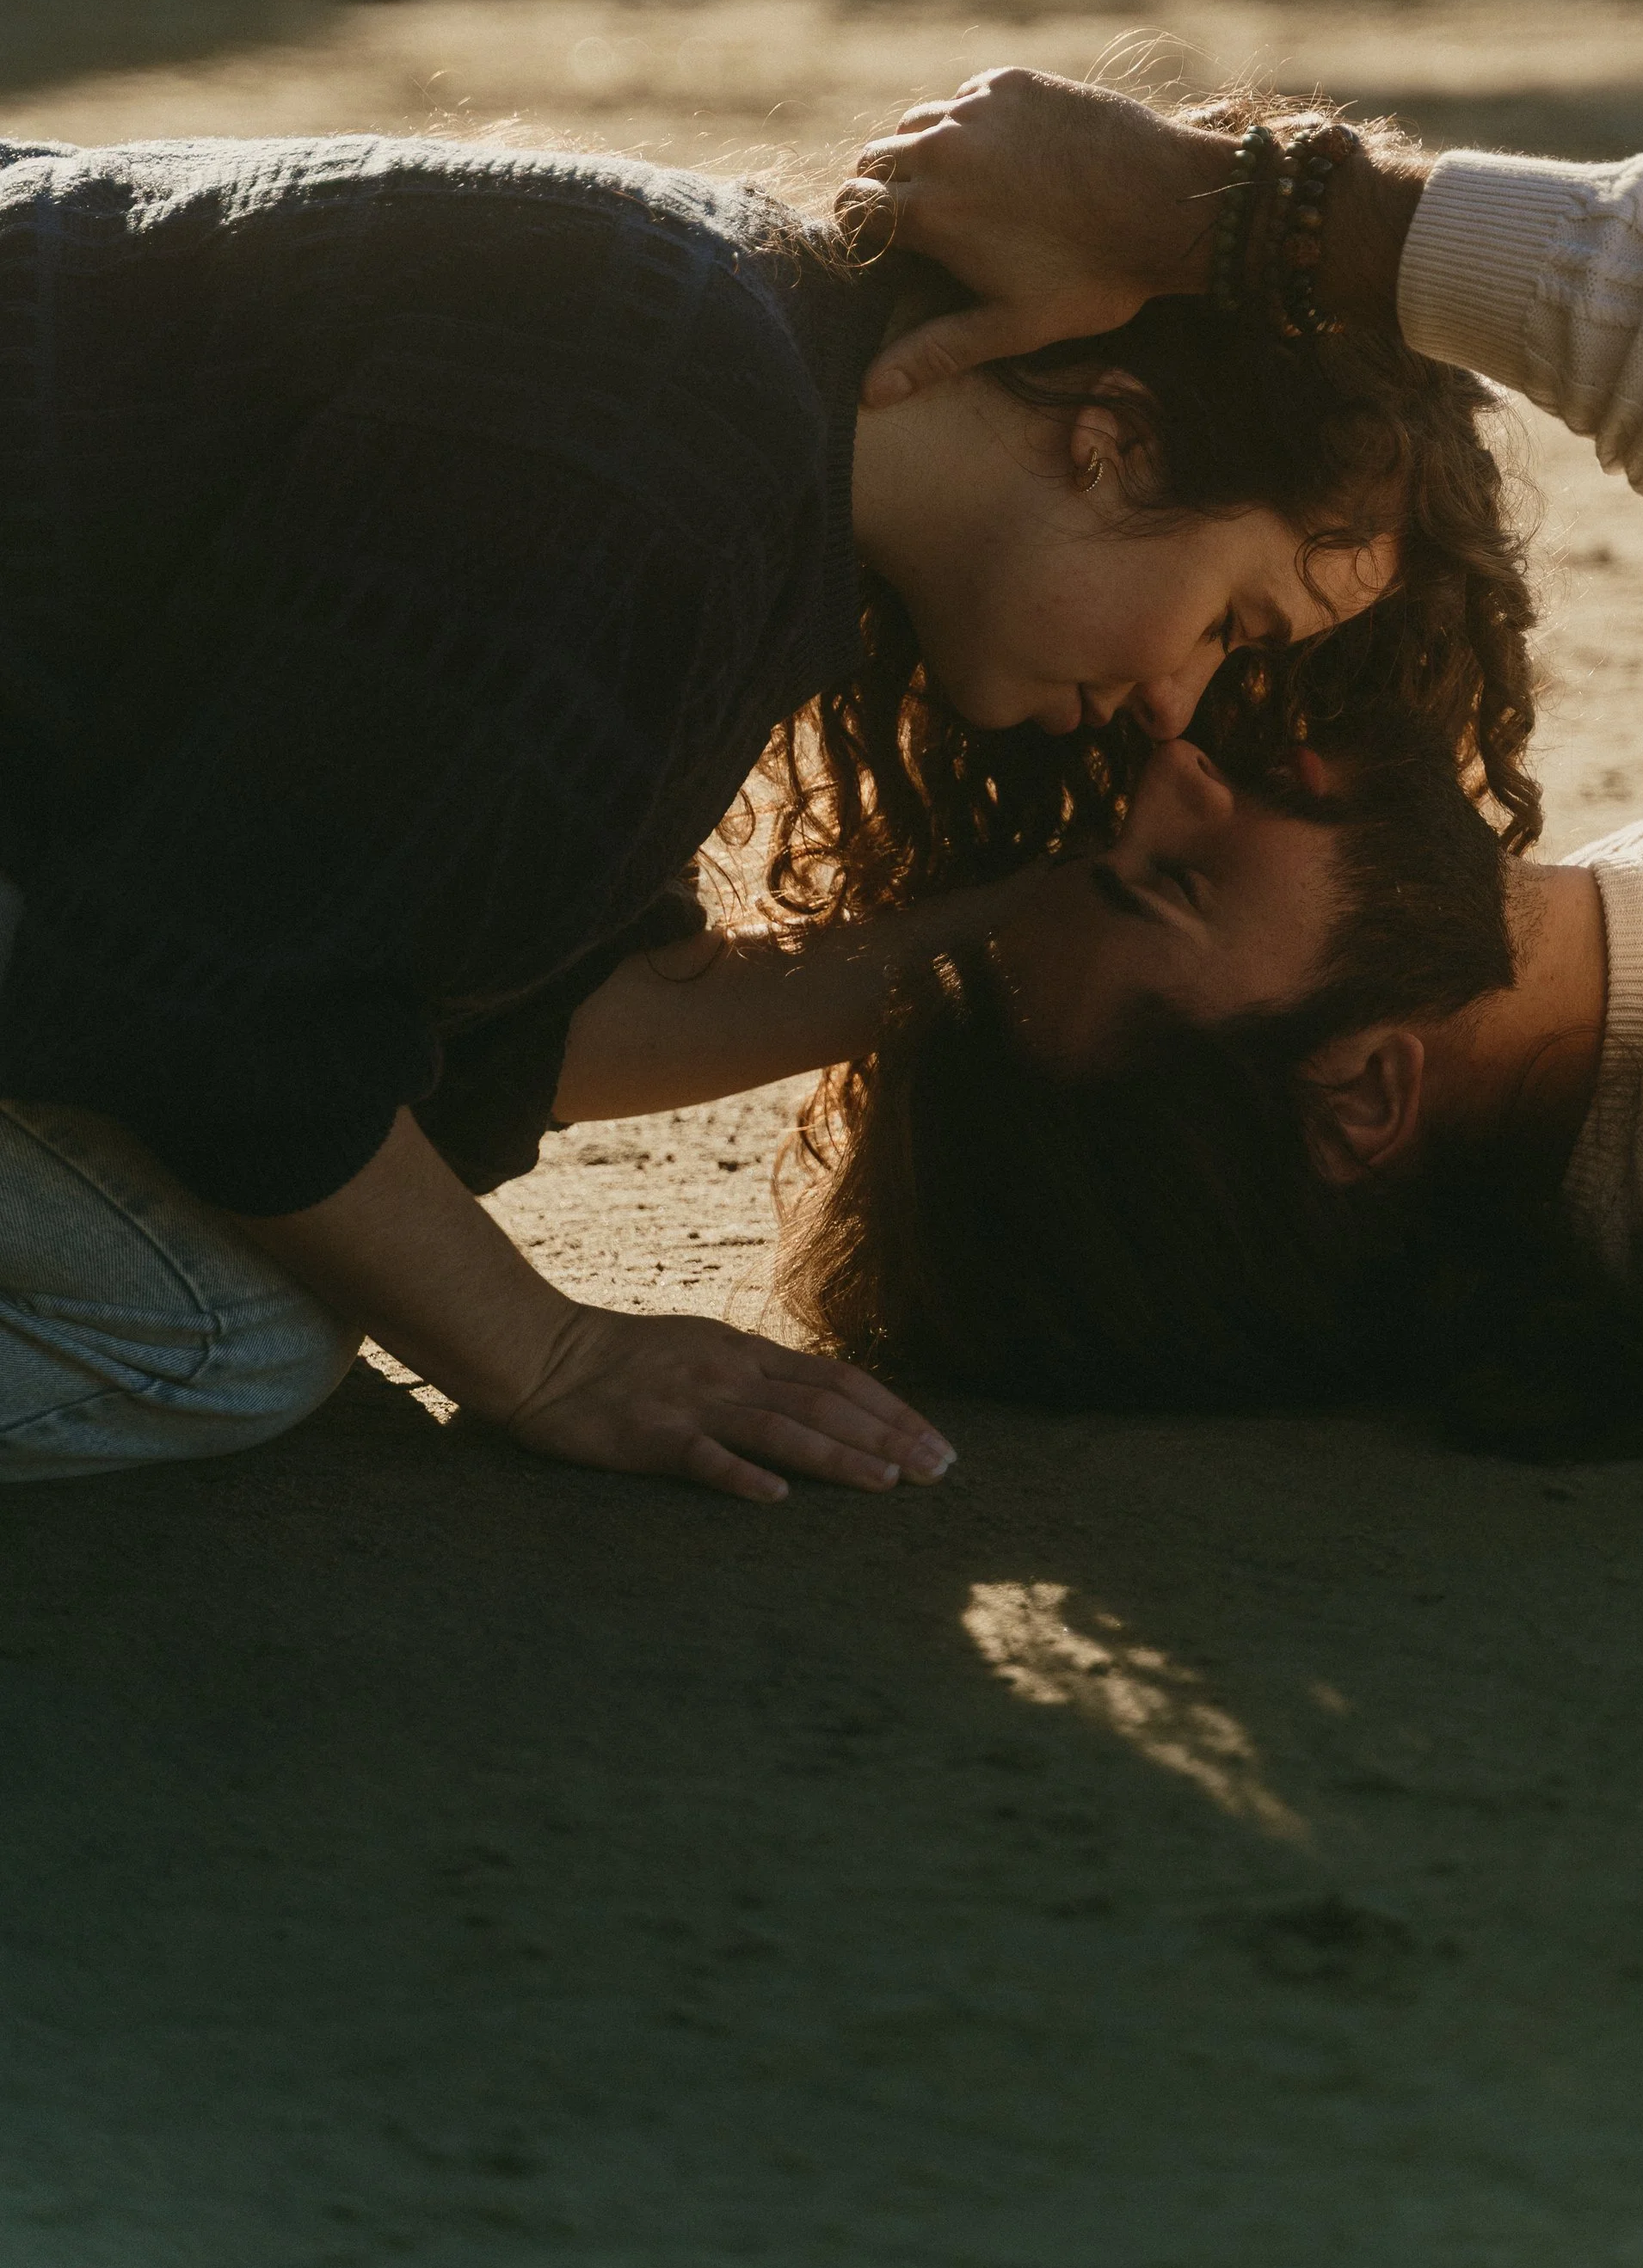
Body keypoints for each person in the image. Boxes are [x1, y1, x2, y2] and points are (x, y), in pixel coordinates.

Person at [0, 104, 1532, 1489]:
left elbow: (501, 1011)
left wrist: (1019, 926)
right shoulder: (647, 461)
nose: (1176, 708)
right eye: (1229, 620)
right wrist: (545, 1353)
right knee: (213, 1318)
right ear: (1113, 442)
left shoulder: (747, 402)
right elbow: (222, 1019)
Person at [785, 76, 1643, 1459]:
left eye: (1105, 846)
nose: (1170, 771)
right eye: (1175, 883)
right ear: (1370, 1094)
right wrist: (1226, 214)